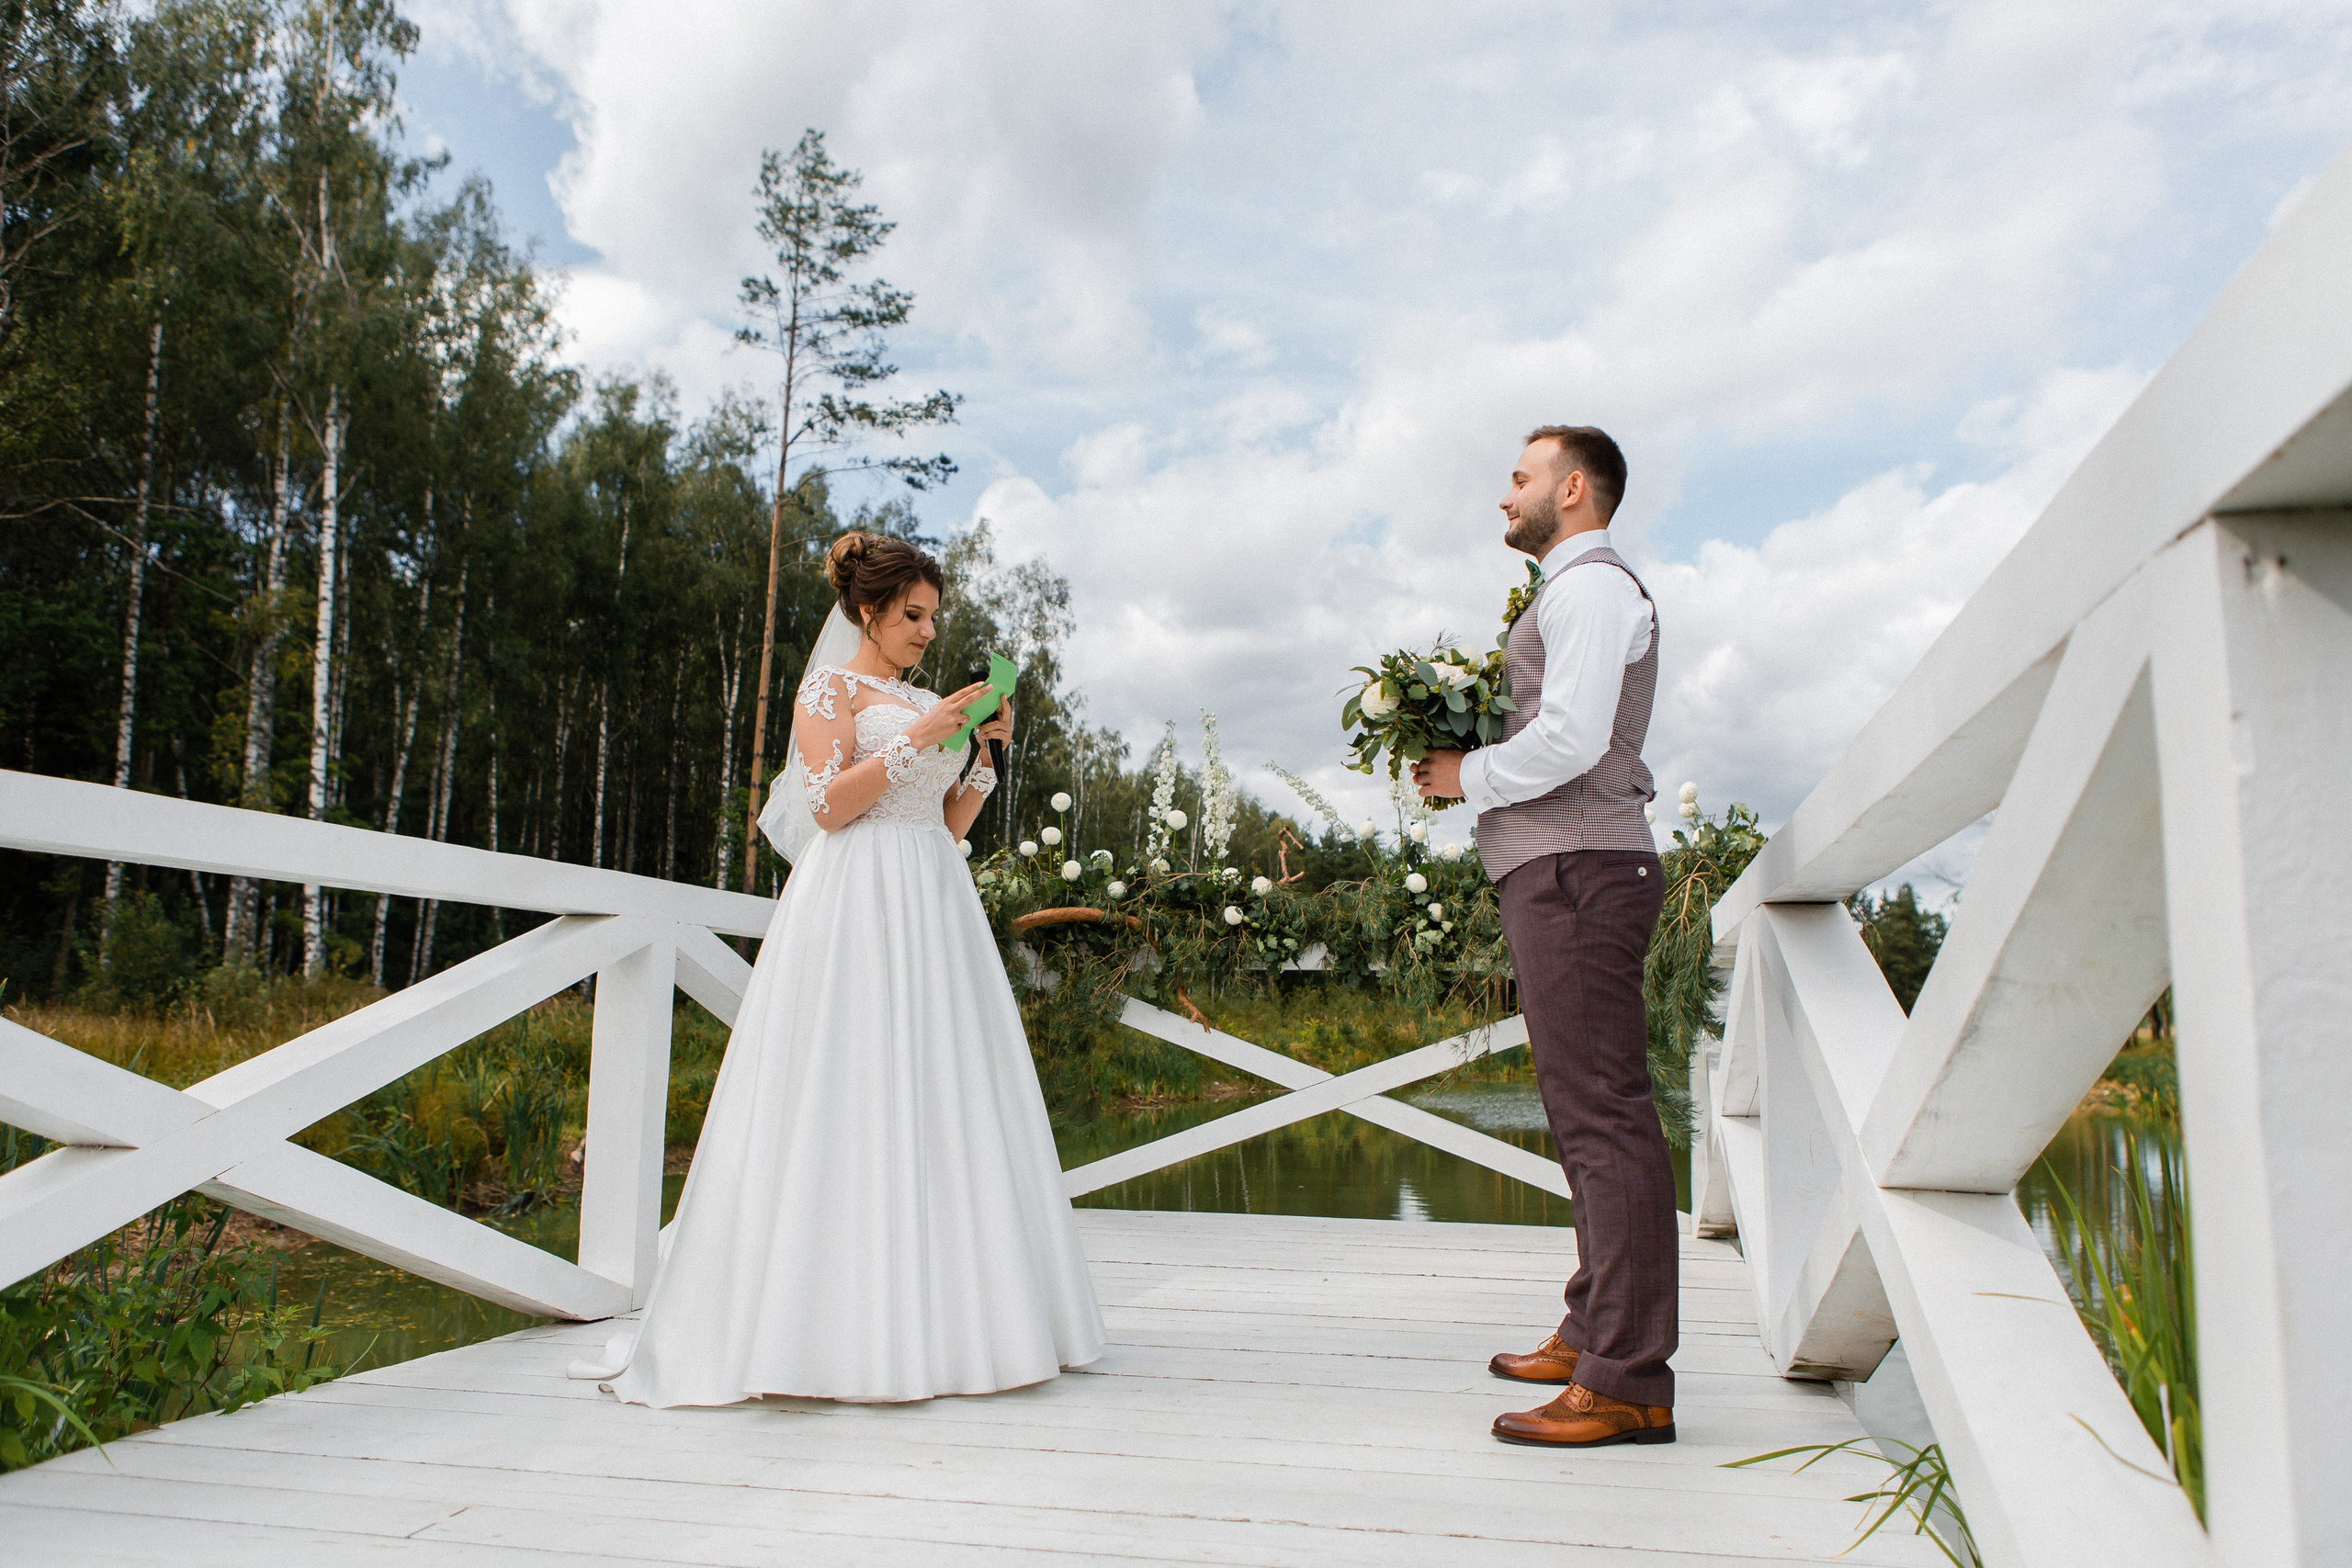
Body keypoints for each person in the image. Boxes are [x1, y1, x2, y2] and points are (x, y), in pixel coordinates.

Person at [576, 531, 1104, 1406]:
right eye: (913, 614)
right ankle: (824, 1329)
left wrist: (981, 758)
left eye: (934, 617)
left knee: (944, 1093)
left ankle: (962, 1325)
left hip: (931, 899)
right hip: (855, 899)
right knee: (847, 1086)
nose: (928, 632)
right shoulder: (829, 688)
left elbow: (944, 827)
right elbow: (826, 806)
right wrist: (920, 737)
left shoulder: (929, 698)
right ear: (869, 609)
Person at [1412, 425, 1676, 1449]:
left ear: (1571, 488)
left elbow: (1569, 738)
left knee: (1604, 1120)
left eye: (1518, 478)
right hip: (1562, 867)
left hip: (1582, 866)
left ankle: (1627, 1380)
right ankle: (1593, 1329)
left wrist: (1465, 776)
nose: (1503, 496)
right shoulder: (1566, 593)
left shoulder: (1593, 588)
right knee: (1582, 1119)